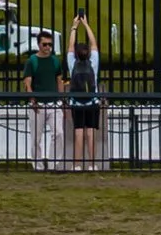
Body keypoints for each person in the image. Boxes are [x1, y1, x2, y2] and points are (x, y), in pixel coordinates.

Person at [64, 12, 104, 170]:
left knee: (79, 133)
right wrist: (86, 24)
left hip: (76, 101)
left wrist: (75, 26)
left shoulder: (72, 63)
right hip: (92, 101)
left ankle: (77, 164)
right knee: (91, 133)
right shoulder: (93, 62)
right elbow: (94, 44)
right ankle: (92, 164)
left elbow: (69, 47)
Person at [24, 25, 62, 168]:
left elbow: (59, 80)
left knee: (58, 133)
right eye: (45, 44)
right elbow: (28, 83)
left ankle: (53, 163)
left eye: (50, 44)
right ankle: (37, 165)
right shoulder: (32, 61)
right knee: (36, 138)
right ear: (38, 44)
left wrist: (61, 99)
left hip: (54, 103)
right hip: (38, 104)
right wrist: (32, 100)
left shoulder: (55, 61)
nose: (47, 47)